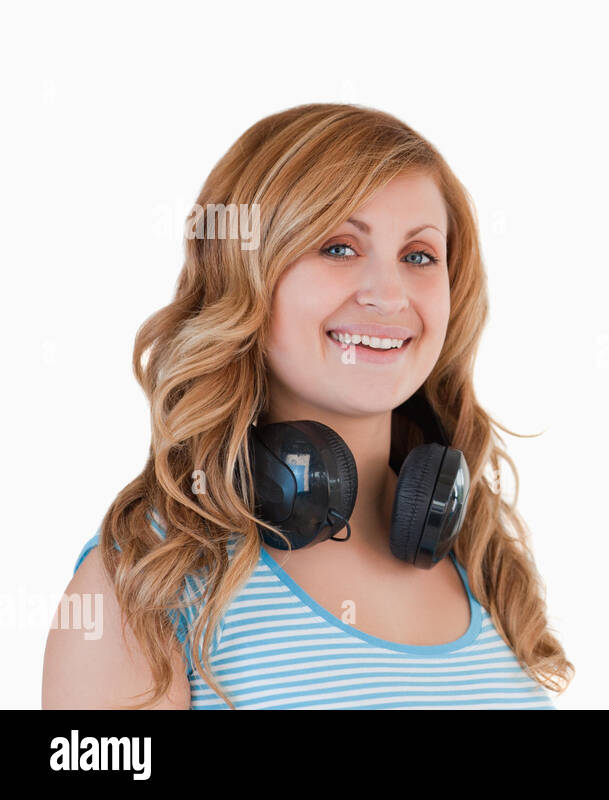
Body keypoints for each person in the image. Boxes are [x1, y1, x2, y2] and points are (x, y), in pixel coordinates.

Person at [42, 103, 572, 709]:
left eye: (420, 256)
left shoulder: (485, 562)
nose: (389, 294)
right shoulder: (145, 583)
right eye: (339, 248)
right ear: (244, 275)